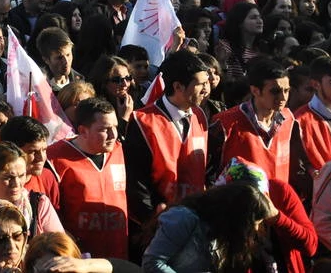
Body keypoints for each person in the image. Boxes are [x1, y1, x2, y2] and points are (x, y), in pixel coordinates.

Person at [124, 50, 210, 235]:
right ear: (178, 86)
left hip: (195, 221)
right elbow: (136, 181)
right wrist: (152, 221)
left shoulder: (200, 116)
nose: (206, 89)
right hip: (159, 226)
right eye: (200, 84)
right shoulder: (143, 121)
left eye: (207, 82)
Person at [46, 97, 127, 261]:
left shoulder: (119, 150)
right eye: (105, 129)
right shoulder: (55, 159)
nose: (113, 135)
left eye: (115, 127)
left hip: (119, 254)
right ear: (83, 130)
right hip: (80, 257)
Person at [207, 56, 304, 187]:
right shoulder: (225, 123)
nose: (283, 97)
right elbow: (208, 174)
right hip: (239, 202)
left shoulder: (289, 120)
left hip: (277, 203)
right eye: (275, 91)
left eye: (286, 91)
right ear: (255, 90)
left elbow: (295, 168)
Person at [142, 182, 274, 273]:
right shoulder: (183, 219)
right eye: (254, 223)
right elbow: (152, 263)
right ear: (237, 217)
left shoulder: (224, 232)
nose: (256, 229)